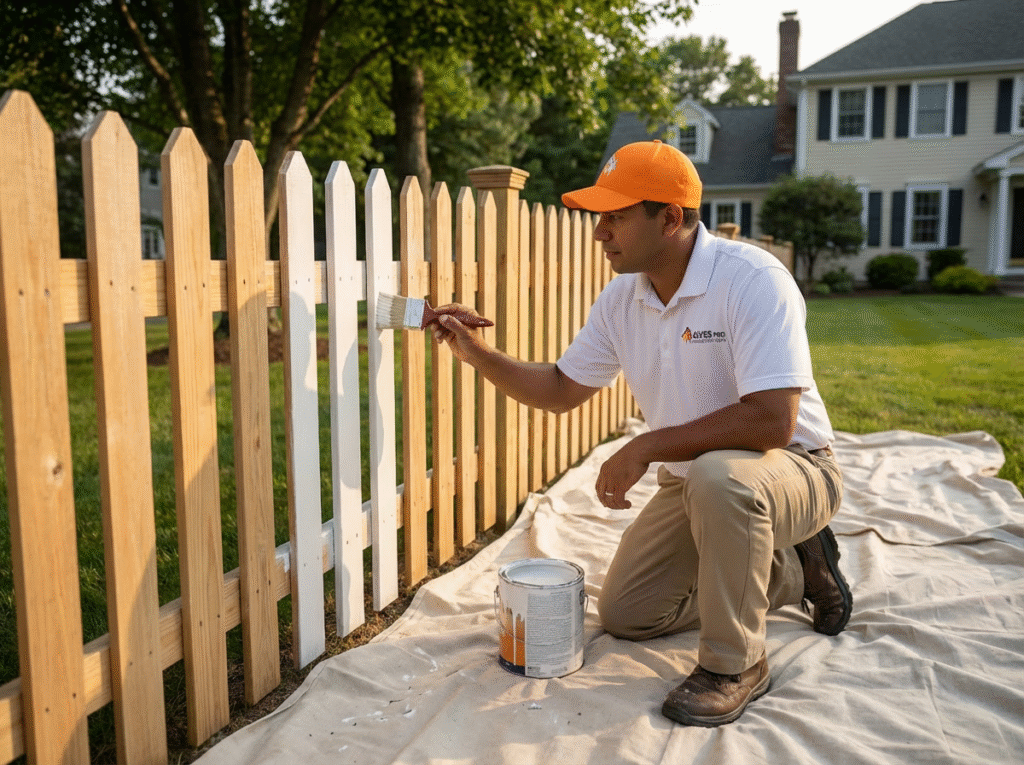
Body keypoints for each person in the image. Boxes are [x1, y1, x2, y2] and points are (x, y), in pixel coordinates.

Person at [431, 140, 852, 727]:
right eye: (599, 217)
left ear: (671, 218)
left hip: (794, 466)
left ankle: (737, 664)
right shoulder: (622, 297)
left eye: (616, 216)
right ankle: (792, 568)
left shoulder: (753, 279)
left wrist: (646, 446)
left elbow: (771, 421)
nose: (600, 232)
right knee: (629, 613)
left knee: (718, 477)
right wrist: (474, 352)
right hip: (701, 484)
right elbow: (559, 388)